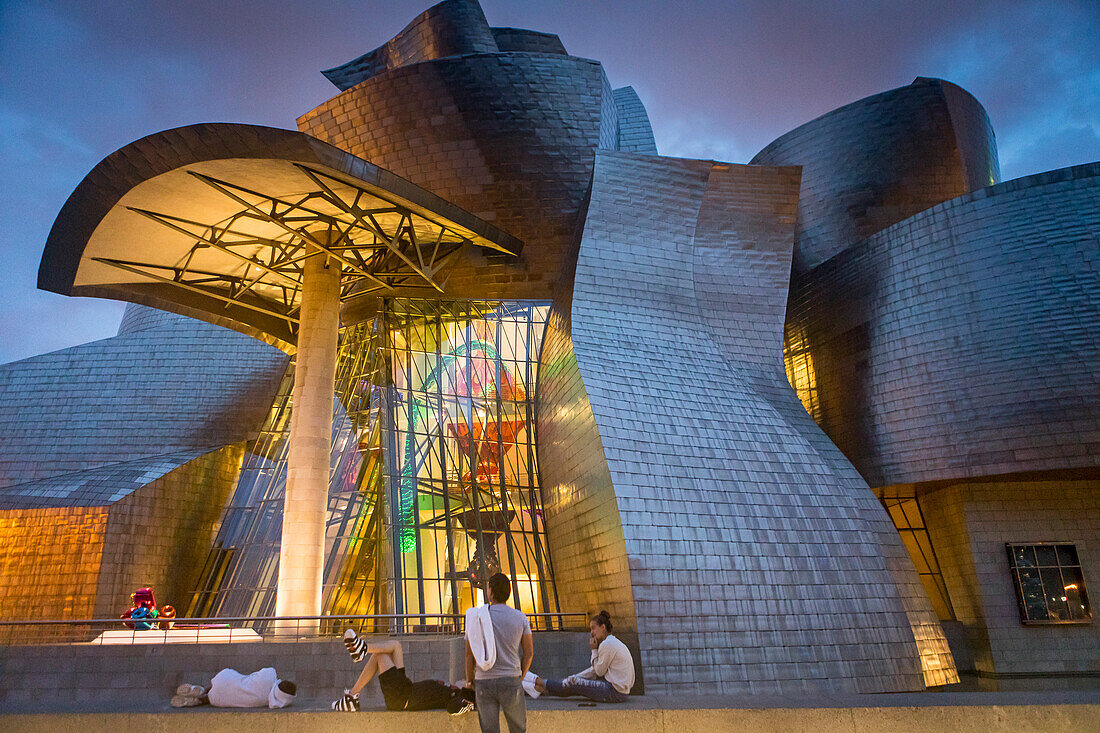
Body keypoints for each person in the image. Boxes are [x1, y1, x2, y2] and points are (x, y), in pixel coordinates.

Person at [332, 632, 475, 715]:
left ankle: (352, 696)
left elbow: (454, 708)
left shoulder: (454, 696)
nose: (463, 679)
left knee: (379, 656)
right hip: (406, 687)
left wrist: (468, 703)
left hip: (402, 697)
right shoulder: (450, 690)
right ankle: (361, 650)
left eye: (466, 682)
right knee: (396, 646)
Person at [465, 573, 534, 733]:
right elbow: (529, 652)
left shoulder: (477, 617)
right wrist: (520, 675)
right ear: (508, 592)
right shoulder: (520, 617)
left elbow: (469, 654)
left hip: (484, 681)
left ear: (490, 591)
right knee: (518, 729)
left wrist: (469, 681)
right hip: (511, 679)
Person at [532, 610, 633, 703]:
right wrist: (576, 676)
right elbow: (594, 670)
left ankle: (541, 682)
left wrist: (594, 650)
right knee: (575, 683)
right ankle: (546, 689)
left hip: (613, 692)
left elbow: (598, 672)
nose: (591, 632)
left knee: (574, 683)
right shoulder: (613, 642)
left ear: (603, 627)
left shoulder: (607, 644)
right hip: (620, 692)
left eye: (593, 628)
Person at [170, 667, 296, 708]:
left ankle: (202, 690)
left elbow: (253, 675)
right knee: (228, 696)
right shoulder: (265, 700)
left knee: (230, 678)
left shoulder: (269, 674)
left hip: (222, 681)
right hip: (217, 701)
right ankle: (201, 700)